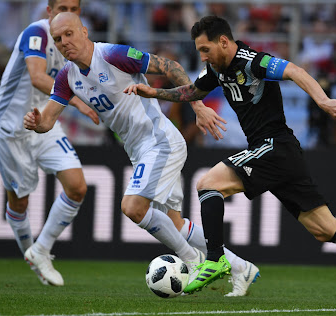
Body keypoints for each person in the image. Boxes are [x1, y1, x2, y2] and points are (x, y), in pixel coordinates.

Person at [124, 16, 336, 305]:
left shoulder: (253, 61)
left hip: (274, 146)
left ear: (223, 42)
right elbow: (192, 92)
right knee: (325, 228)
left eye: (205, 49)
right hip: (281, 154)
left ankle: (215, 259)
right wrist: (154, 92)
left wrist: (323, 101)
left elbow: (295, 71)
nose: (202, 56)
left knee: (208, 184)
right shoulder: (216, 67)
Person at [24, 12, 259, 297]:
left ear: (84, 32)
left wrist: (197, 107)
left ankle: (192, 261)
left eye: (69, 34)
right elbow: (47, 119)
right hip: (139, 150)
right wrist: (37, 124)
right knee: (174, 224)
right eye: (58, 39)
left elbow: (170, 66)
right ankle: (241, 268)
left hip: (160, 142)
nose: (64, 43)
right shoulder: (66, 77)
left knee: (132, 207)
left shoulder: (112, 55)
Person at [0, 0, 99, 287]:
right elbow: (37, 76)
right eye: (62, 7)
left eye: (74, 8)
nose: (68, 13)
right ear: (48, 11)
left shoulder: (77, 40)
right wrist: (77, 102)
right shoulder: (34, 33)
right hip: (10, 128)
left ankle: (41, 250)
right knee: (20, 200)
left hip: (45, 121)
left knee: (77, 187)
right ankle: (30, 253)